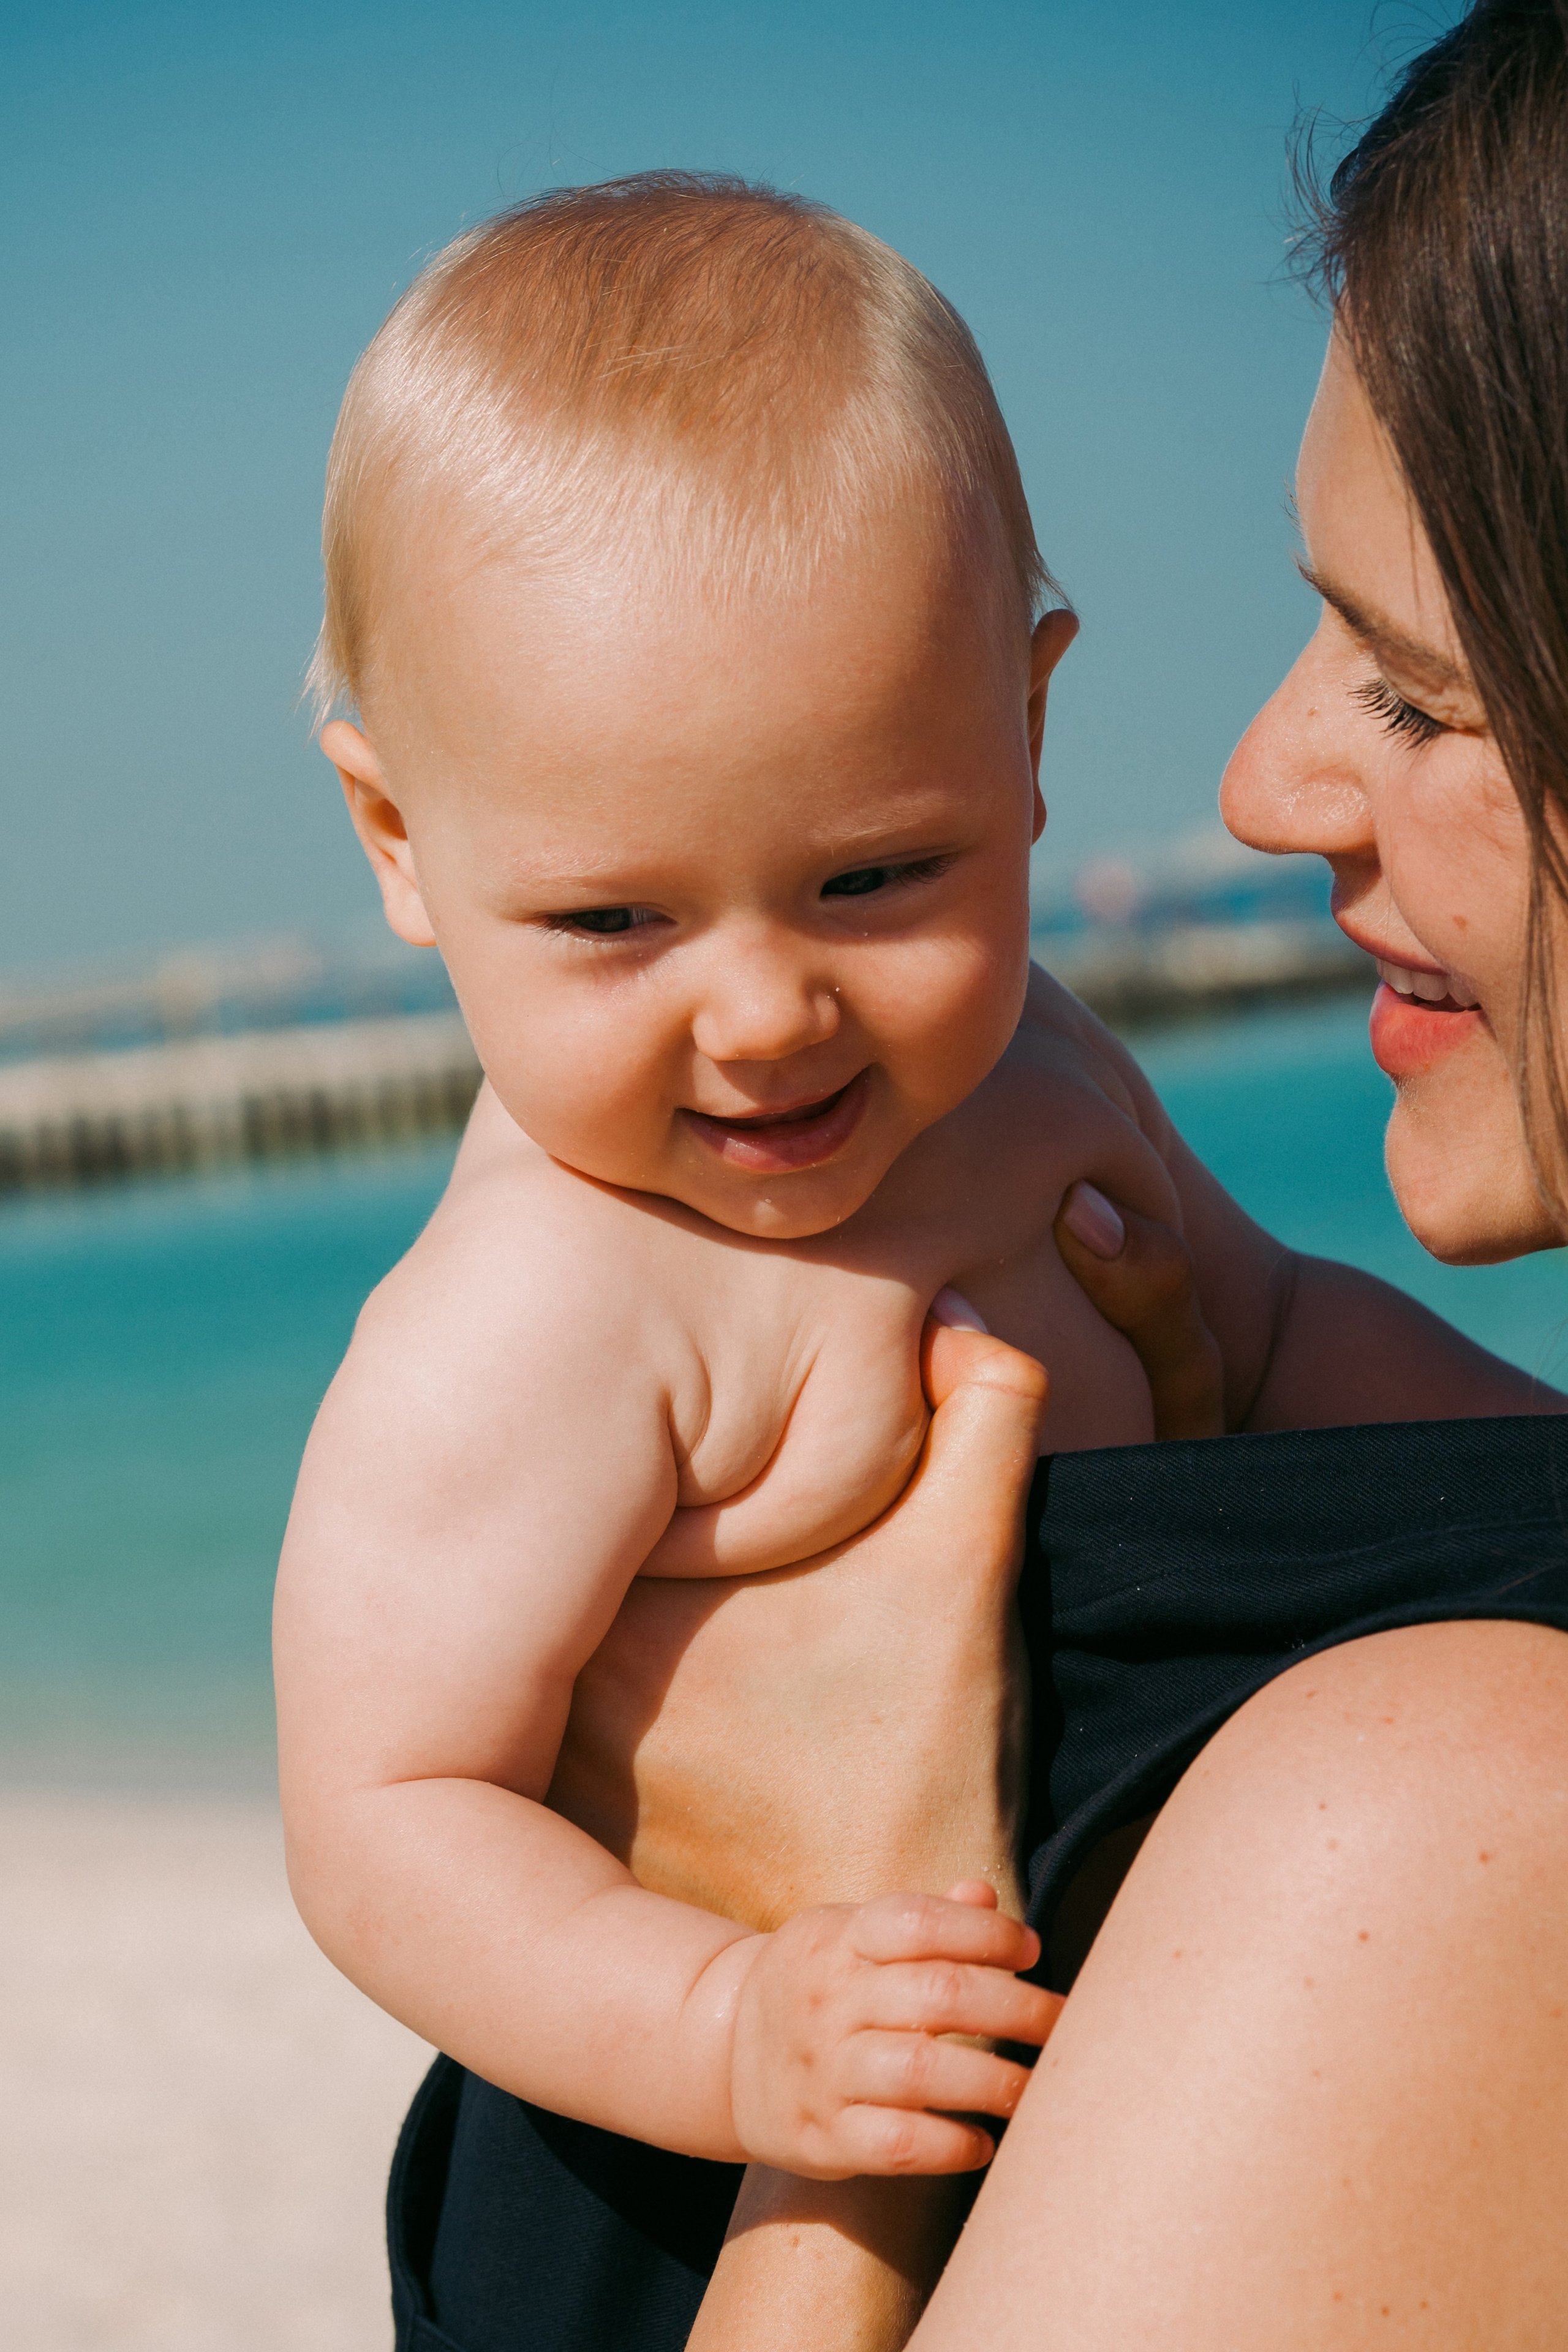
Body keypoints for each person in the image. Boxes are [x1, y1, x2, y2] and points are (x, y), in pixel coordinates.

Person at [377, 5, 1568, 2346]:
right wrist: (748, 2037)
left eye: (1418, 692)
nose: (758, 1018)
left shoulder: (1452, 1818)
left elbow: (1271, 1325)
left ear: (1021, 725)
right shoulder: (538, 1297)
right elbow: (394, 1802)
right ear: (400, 852)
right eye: (618, 917)